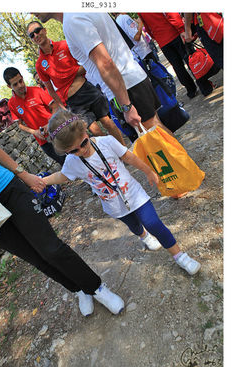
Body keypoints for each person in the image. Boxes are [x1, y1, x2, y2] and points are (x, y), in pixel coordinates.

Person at [0, 126, 125, 317]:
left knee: (51, 248)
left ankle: (96, 288)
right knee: (34, 258)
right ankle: (78, 289)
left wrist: (23, 173)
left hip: (6, 187)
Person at [39, 109, 201, 276]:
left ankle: (180, 256)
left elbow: (129, 157)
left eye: (84, 143)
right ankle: (144, 237)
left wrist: (148, 171)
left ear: (85, 130)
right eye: (74, 151)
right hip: (113, 205)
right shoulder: (72, 163)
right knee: (134, 226)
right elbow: (62, 175)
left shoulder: (107, 142)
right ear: (66, 151)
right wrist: (42, 181)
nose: (82, 151)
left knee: (153, 223)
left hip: (134, 194)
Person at [33, 13, 170, 134]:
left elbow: (104, 63)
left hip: (125, 86)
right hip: (128, 80)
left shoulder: (73, 20)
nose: (31, 11)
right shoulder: (78, 13)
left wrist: (126, 106)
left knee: (155, 137)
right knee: (158, 133)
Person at [27, 21, 125, 145]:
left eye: (37, 31)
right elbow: (50, 89)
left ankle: (124, 149)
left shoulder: (64, 45)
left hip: (87, 89)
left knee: (107, 121)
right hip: (72, 101)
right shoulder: (39, 64)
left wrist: (70, 74)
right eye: (31, 35)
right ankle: (115, 153)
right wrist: (61, 106)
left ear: (44, 30)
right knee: (95, 130)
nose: (36, 35)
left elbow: (85, 63)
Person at [138, 12, 216, 98]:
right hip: (174, 34)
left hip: (162, 41)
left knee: (178, 67)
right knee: (191, 60)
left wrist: (157, 36)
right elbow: (171, 14)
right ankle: (205, 87)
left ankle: (191, 90)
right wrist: (181, 29)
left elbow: (148, 28)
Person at [3, 67, 65, 166]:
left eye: (20, 81)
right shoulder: (11, 103)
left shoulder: (36, 90)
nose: (20, 85)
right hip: (44, 142)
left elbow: (54, 106)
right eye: (15, 84)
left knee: (77, 156)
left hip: (58, 131)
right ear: (9, 86)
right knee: (66, 164)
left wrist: (49, 123)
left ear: (22, 77)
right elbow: (19, 124)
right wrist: (34, 132)